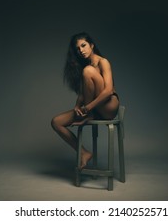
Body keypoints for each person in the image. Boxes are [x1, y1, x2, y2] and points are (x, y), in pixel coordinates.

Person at [51, 32, 120, 169]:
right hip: (93, 108)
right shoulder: (86, 67)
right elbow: (83, 93)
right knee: (56, 122)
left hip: (109, 106)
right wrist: (77, 106)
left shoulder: (103, 62)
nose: (81, 50)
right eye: (78, 49)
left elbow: (108, 91)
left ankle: (89, 114)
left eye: (83, 45)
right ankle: (84, 153)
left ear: (92, 45)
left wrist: (87, 109)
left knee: (88, 71)